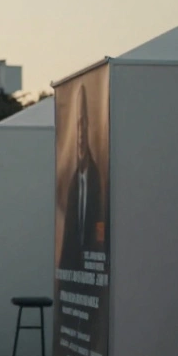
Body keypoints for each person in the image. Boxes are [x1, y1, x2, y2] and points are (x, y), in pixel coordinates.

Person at [59, 83, 103, 272]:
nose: (81, 134)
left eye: (85, 123)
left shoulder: (98, 180)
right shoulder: (73, 184)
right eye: (78, 125)